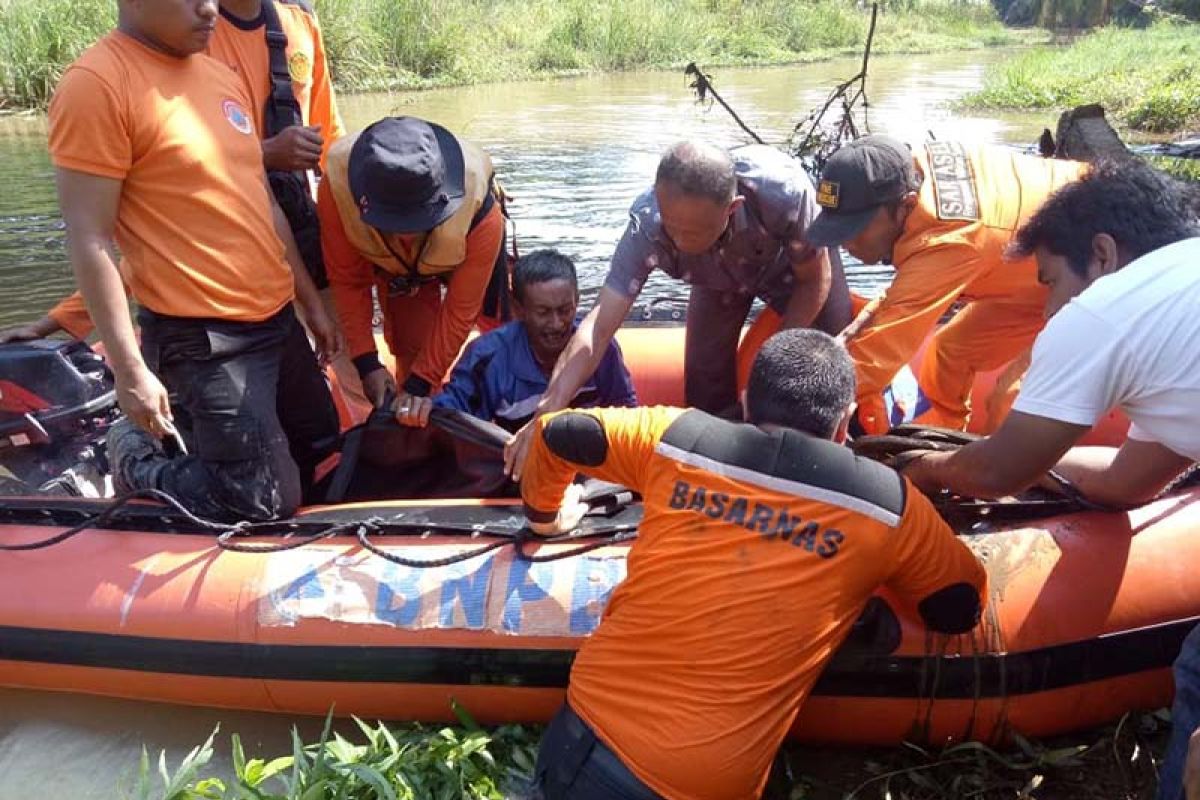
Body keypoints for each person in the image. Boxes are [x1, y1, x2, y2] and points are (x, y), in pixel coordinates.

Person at [521, 328, 987, 800]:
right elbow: (959, 607)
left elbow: (560, 431)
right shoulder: (889, 506)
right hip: (701, 781)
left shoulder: (676, 438)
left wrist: (546, 520)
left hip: (587, 744)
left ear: (746, 403)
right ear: (845, 423)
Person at [876, 160, 1199, 800]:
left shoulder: (1106, 313)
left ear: (1103, 254)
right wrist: (989, 453)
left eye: (1049, 281)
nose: (1047, 308)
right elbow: (1128, 483)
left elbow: (998, 473)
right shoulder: (1179, 300)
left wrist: (924, 466)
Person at [50, 0, 341, 521]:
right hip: (201, 335)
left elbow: (263, 200)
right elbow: (90, 237)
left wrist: (310, 303)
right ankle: (133, 455)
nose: (210, 9)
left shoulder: (218, 75)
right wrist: (130, 369)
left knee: (322, 446)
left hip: (274, 315)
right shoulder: (97, 83)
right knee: (257, 502)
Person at [1, 0, 360, 415]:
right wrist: (110, 352)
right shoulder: (130, 65)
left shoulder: (280, 37)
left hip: (284, 278)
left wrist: (319, 294)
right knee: (251, 465)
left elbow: (311, 163)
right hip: (205, 320)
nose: (205, 9)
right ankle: (134, 451)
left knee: (329, 434)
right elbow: (132, 227)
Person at [503, 139, 852, 478]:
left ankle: (824, 471)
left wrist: (774, 363)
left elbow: (813, 280)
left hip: (794, 272)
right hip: (718, 280)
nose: (680, 242)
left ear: (731, 209)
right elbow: (597, 327)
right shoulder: (647, 223)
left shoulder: (783, 193)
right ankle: (722, 479)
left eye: (694, 232)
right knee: (704, 381)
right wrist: (546, 413)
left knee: (819, 374)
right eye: (673, 229)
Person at [804, 135, 1087, 436]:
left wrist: (802, 405)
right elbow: (909, 289)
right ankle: (947, 442)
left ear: (905, 206)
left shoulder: (950, 238)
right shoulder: (907, 173)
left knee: (1011, 400)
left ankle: (995, 480)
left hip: (1096, 276)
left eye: (855, 229)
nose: (846, 243)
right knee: (950, 352)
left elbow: (879, 356)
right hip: (1031, 273)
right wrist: (851, 332)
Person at [318, 116, 506, 426]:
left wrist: (424, 380)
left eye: (416, 223)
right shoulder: (336, 190)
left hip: (465, 244)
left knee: (505, 331)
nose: (405, 235)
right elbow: (348, 282)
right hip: (397, 272)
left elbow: (462, 310)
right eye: (394, 224)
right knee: (410, 349)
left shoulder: (480, 210)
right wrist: (367, 363)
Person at [431, 249, 636, 432]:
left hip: (587, 466)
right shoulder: (488, 357)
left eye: (565, 310)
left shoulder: (597, 348)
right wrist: (421, 407)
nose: (557, 324)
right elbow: (452, 416)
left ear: (577, 302)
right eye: (543, 312)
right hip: (516, 467)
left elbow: (626, 415)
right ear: (519, 309)